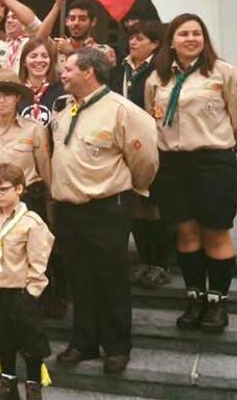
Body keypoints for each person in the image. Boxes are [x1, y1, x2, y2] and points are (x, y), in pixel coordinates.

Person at [145, 14, 237, 333]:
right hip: (173, 165)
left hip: (213, 162)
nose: (191, 38)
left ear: (204, 39)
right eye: (183, 34)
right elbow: (153, 119)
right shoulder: (158, 79)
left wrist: (223, 149)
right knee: (186, 232)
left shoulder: (223, 73)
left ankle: (217, 300)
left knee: (216, 232)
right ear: (172, 41)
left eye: (197, 33)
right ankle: (195, 297)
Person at [52, 48, 158, 373]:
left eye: (68, 69)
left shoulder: (122, 111)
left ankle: (116, 346)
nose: (62, 74)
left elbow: (146, 162)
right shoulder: (63, 110)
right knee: (79, 278)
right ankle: (83, 341)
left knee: (110, 277)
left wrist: (130, 190)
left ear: (89, 72)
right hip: (69, 211)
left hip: (106, 208)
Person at [0, 163, 55, 400]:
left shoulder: (31, 222)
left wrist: (31, 292)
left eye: (3, 189)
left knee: (29, 342)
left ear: (19, 188)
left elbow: (39, 261)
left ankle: (33, 387)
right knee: (2, 339)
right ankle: (8, 385)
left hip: (21, 292)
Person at [111, 21, 170, 289]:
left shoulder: (161, 71)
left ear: (155, 43)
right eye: (131, 38)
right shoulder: (119, 70)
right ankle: (144, 260)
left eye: (140, 38)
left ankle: (161, 264)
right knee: (135, 206)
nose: (133, 42)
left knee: (154, 207)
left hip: (154, 146)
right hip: (124, 147)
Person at [0, 69, 51, 217]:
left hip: (28, 199)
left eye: (7, 95)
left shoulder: (34, 129)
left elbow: (45, 171)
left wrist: (50, 204)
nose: (1, 101)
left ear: (17, 98)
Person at [0, 0, 68, 72]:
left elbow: (33, 23)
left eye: (14, 17)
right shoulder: (0, 45)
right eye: (7, 18)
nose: (9, 21)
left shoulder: (35, 42)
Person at [18, 39, 67, 127]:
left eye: (44, 56)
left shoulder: (63, 88)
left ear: (51, 61)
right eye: (33, 56)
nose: (39, 60)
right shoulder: (17, 90)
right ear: (24, 62)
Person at [55, 0, 117, 68]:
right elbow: (42, 36)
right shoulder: (58, 47)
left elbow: (100, 75)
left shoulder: (104, 51)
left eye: (82, 19)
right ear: (66, 22)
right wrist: (57, 4)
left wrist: (72, 53)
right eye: (72, 19)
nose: (76, 23)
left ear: (93, 22)